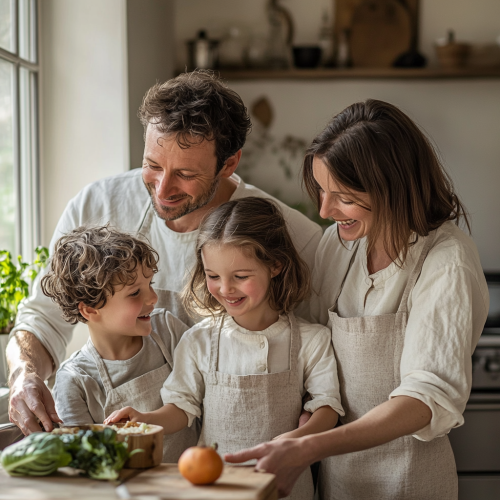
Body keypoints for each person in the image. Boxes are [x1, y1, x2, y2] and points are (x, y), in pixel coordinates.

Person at [7, 70, 322, 435]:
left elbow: (317, 354)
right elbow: (42, 320)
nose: (162, 189)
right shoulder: (98, 204)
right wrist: (23, 374)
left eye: (186, 174)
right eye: (153, 165)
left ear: (229, 164)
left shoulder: (290, 235)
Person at [226, 100, 489, 499]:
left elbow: (425, 398)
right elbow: (307, 338)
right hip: (340, 482)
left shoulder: (446, 260)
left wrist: (308, 446)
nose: (325, 210)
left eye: (343, 197)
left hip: (410, 481)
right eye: (322, 191)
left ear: (392, 188)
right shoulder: (339, 244)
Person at [105, 197, 343, 500]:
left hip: (287, 488)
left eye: (240, 277)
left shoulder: (312, 340)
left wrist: (292, 442)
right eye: (213, 276)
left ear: (275, 265)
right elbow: (181, 408)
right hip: (213, 487)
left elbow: (327, 408)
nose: (225, 289)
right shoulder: (198, 340)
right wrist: (144, 420)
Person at [42, 225, 198, 462]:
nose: (153, 298)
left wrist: (146, 421)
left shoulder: (167, 330)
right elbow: (85, 459)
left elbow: (194, 400)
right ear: (90, 309)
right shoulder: (74, 380)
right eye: (135, 292)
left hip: (190, 481)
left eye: (150, 285)